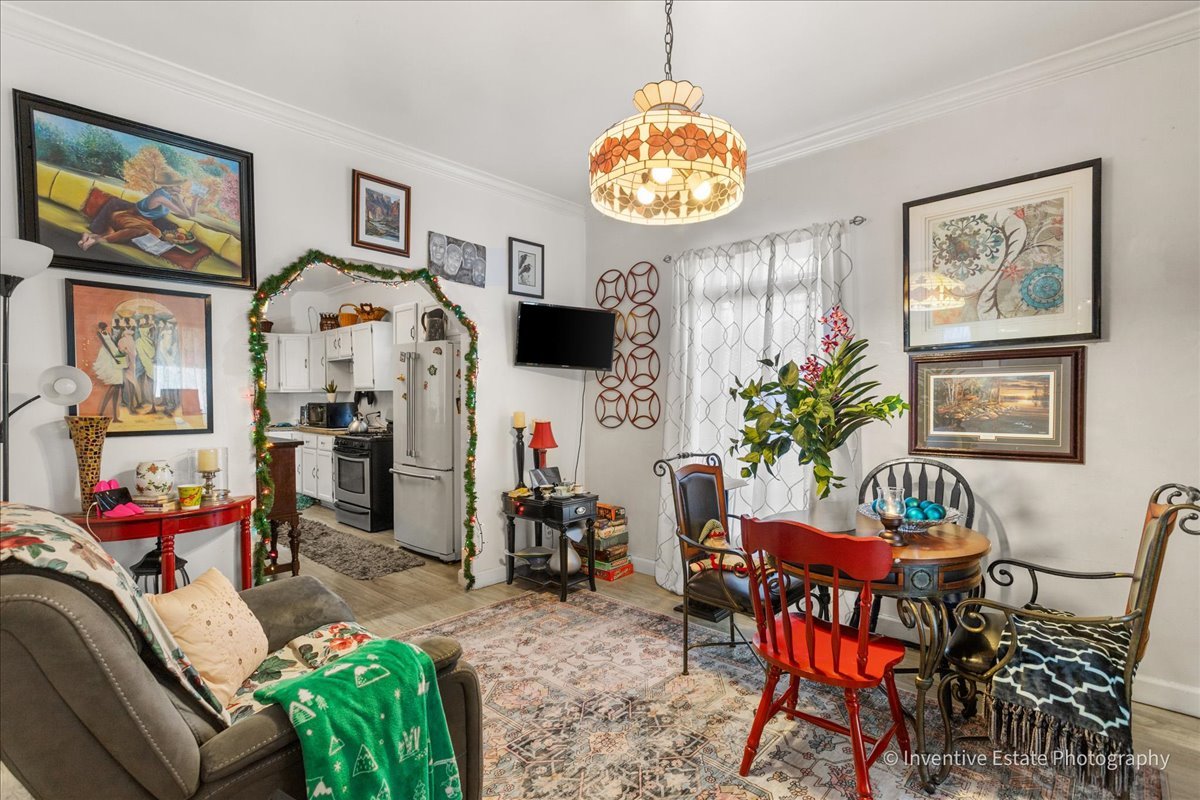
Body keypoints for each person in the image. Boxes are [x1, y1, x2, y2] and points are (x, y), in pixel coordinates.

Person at [79, 167, 198, 251]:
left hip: (141, 221)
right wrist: (179, 198)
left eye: (179, 184)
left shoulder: (171, 196)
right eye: (177, 185)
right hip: (129, 216)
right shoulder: (161, 196)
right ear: (168, 186)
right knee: (150, 232)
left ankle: (90, 236)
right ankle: (98, 240)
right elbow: (185, 214)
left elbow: (190, 214)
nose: (180, 188)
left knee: (154, 232)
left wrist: (196, 200)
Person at [91, 322, 125, 422]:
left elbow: (112, 343)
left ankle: (114, 417)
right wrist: (114, 358)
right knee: (115, 385)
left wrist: (118, 353)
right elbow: (106, 346)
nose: (105, 328)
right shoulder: (99, 333)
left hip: (114, 353)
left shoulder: (107, 333)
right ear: (101, 327)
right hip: (108, 356)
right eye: (104, 326)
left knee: (118, 385)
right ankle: (101, 413)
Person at [116, 320, 141, 411]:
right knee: (129, 382)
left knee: (133, 381)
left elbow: (134, 351)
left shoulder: (132, 337)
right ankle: (131, 405)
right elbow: (121, 349)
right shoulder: (122, 339)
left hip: (132, 359)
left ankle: (135, 403)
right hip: (127, 360)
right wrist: (125, 351)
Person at [135, 317, 157, 414]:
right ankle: (153, 406)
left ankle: (153, 407)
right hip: (149, 366)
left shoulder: (139, 341)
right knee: (152, 386)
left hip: (148, 366)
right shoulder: (148, 341)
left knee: (152, 386)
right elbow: (152, 354)